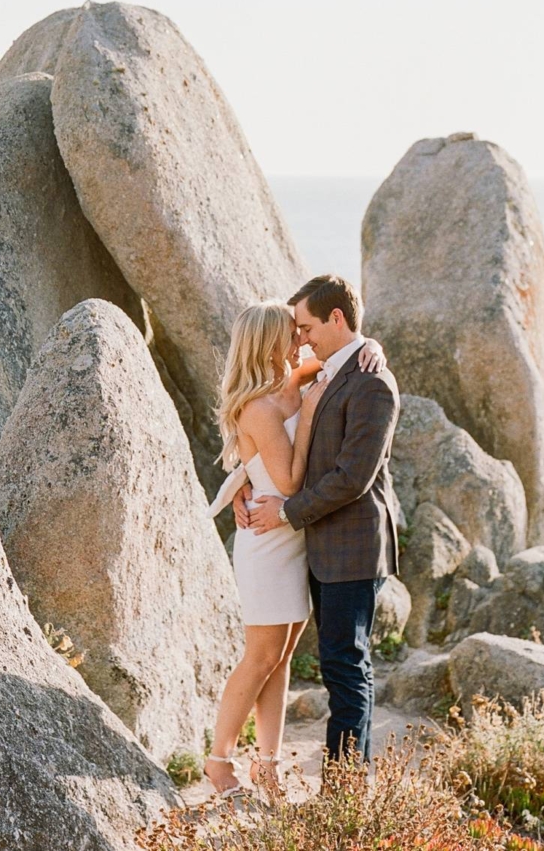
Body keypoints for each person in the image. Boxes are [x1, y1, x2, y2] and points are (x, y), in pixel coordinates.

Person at [203, 299, 386, 799]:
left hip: (297, 537)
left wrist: (372, 345)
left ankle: (266, 764)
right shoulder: (258, 407)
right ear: (269, 342)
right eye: (291, 333)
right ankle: (219, 761)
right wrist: (306, 415)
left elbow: (347, 353)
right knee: (259, 656)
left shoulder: (294, 380)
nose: (301, 340)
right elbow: (288, 478)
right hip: (266, 540)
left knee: (281, 658)